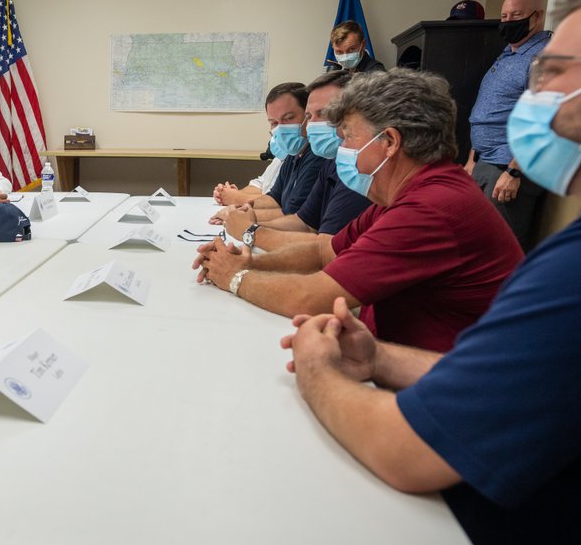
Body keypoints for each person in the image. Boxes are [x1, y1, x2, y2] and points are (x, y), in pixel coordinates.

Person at [283, 0, 581, 545]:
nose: (528, 98)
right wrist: (381, 357)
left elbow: (404, 453)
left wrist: (317, 367)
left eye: (552, 73)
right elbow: (527, 386)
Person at [194, 69, 522, 352]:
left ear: (389, 141)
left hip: (445, 382)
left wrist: (234, 276)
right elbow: (324, 250)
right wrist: (251, 262)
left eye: (349, 137)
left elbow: (311, 298)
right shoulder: (405, 195)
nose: (342, 148)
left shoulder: (431, 207)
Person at [219, 71, 371, 249]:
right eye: (310, 116)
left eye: (324, 113)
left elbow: (325, 249)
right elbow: (303, 222)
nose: (311, 125)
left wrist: (250, 231)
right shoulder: (331, 160)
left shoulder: (358, 167)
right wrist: (249, 223)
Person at [464, 0, 552, 248]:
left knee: (499, 248)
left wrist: (514, 171)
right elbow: (489, 110)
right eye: (504, 16)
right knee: (475, 243)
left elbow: (543, 120)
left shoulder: (543, 58)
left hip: (508, 166)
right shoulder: (509, 53)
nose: (508, 21)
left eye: (516, 15)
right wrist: (472, 159)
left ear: (537, 16)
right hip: (485, 161)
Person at [211, 83, 321, 221]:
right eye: (274, 123)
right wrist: (240, 209)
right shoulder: (294, 155)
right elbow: (273, 199)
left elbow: (294, 215)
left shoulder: (317, 156)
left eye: (288, 118)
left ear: (308, 115)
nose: (281, 128)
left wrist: (240, 216)